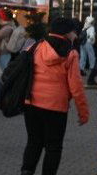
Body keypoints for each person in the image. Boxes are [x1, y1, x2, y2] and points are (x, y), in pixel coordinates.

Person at [20, 17, 89, 175]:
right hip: (56, 107)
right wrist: (83, 112)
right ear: (67, 32)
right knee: (53, 146)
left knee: (34, 142)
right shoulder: (71, 53)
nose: (76, 35)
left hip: (32, 102)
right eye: (74, 31)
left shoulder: (37, 46)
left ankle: (26, 171)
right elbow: (76, 86)